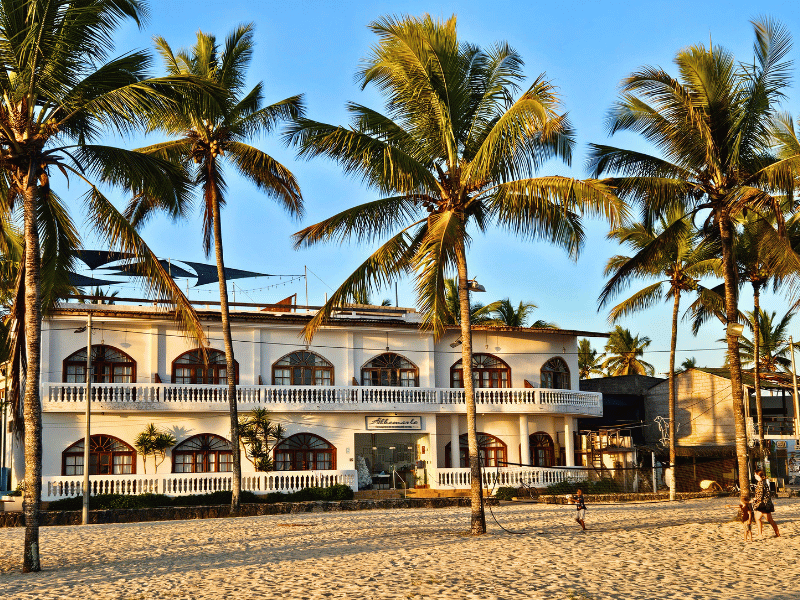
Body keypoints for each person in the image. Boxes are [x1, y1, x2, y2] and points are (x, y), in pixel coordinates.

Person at [752, 469, 780, 538]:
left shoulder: (760, 483)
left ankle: (777, 534)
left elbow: (760, 495)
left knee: (769, 520)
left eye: (755, 474)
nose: (754, 475)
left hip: (763, 505)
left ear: (758, 475)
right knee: (758, 518)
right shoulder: (763, 482)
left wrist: (753, 499)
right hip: (765, 504)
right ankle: (760, 533)